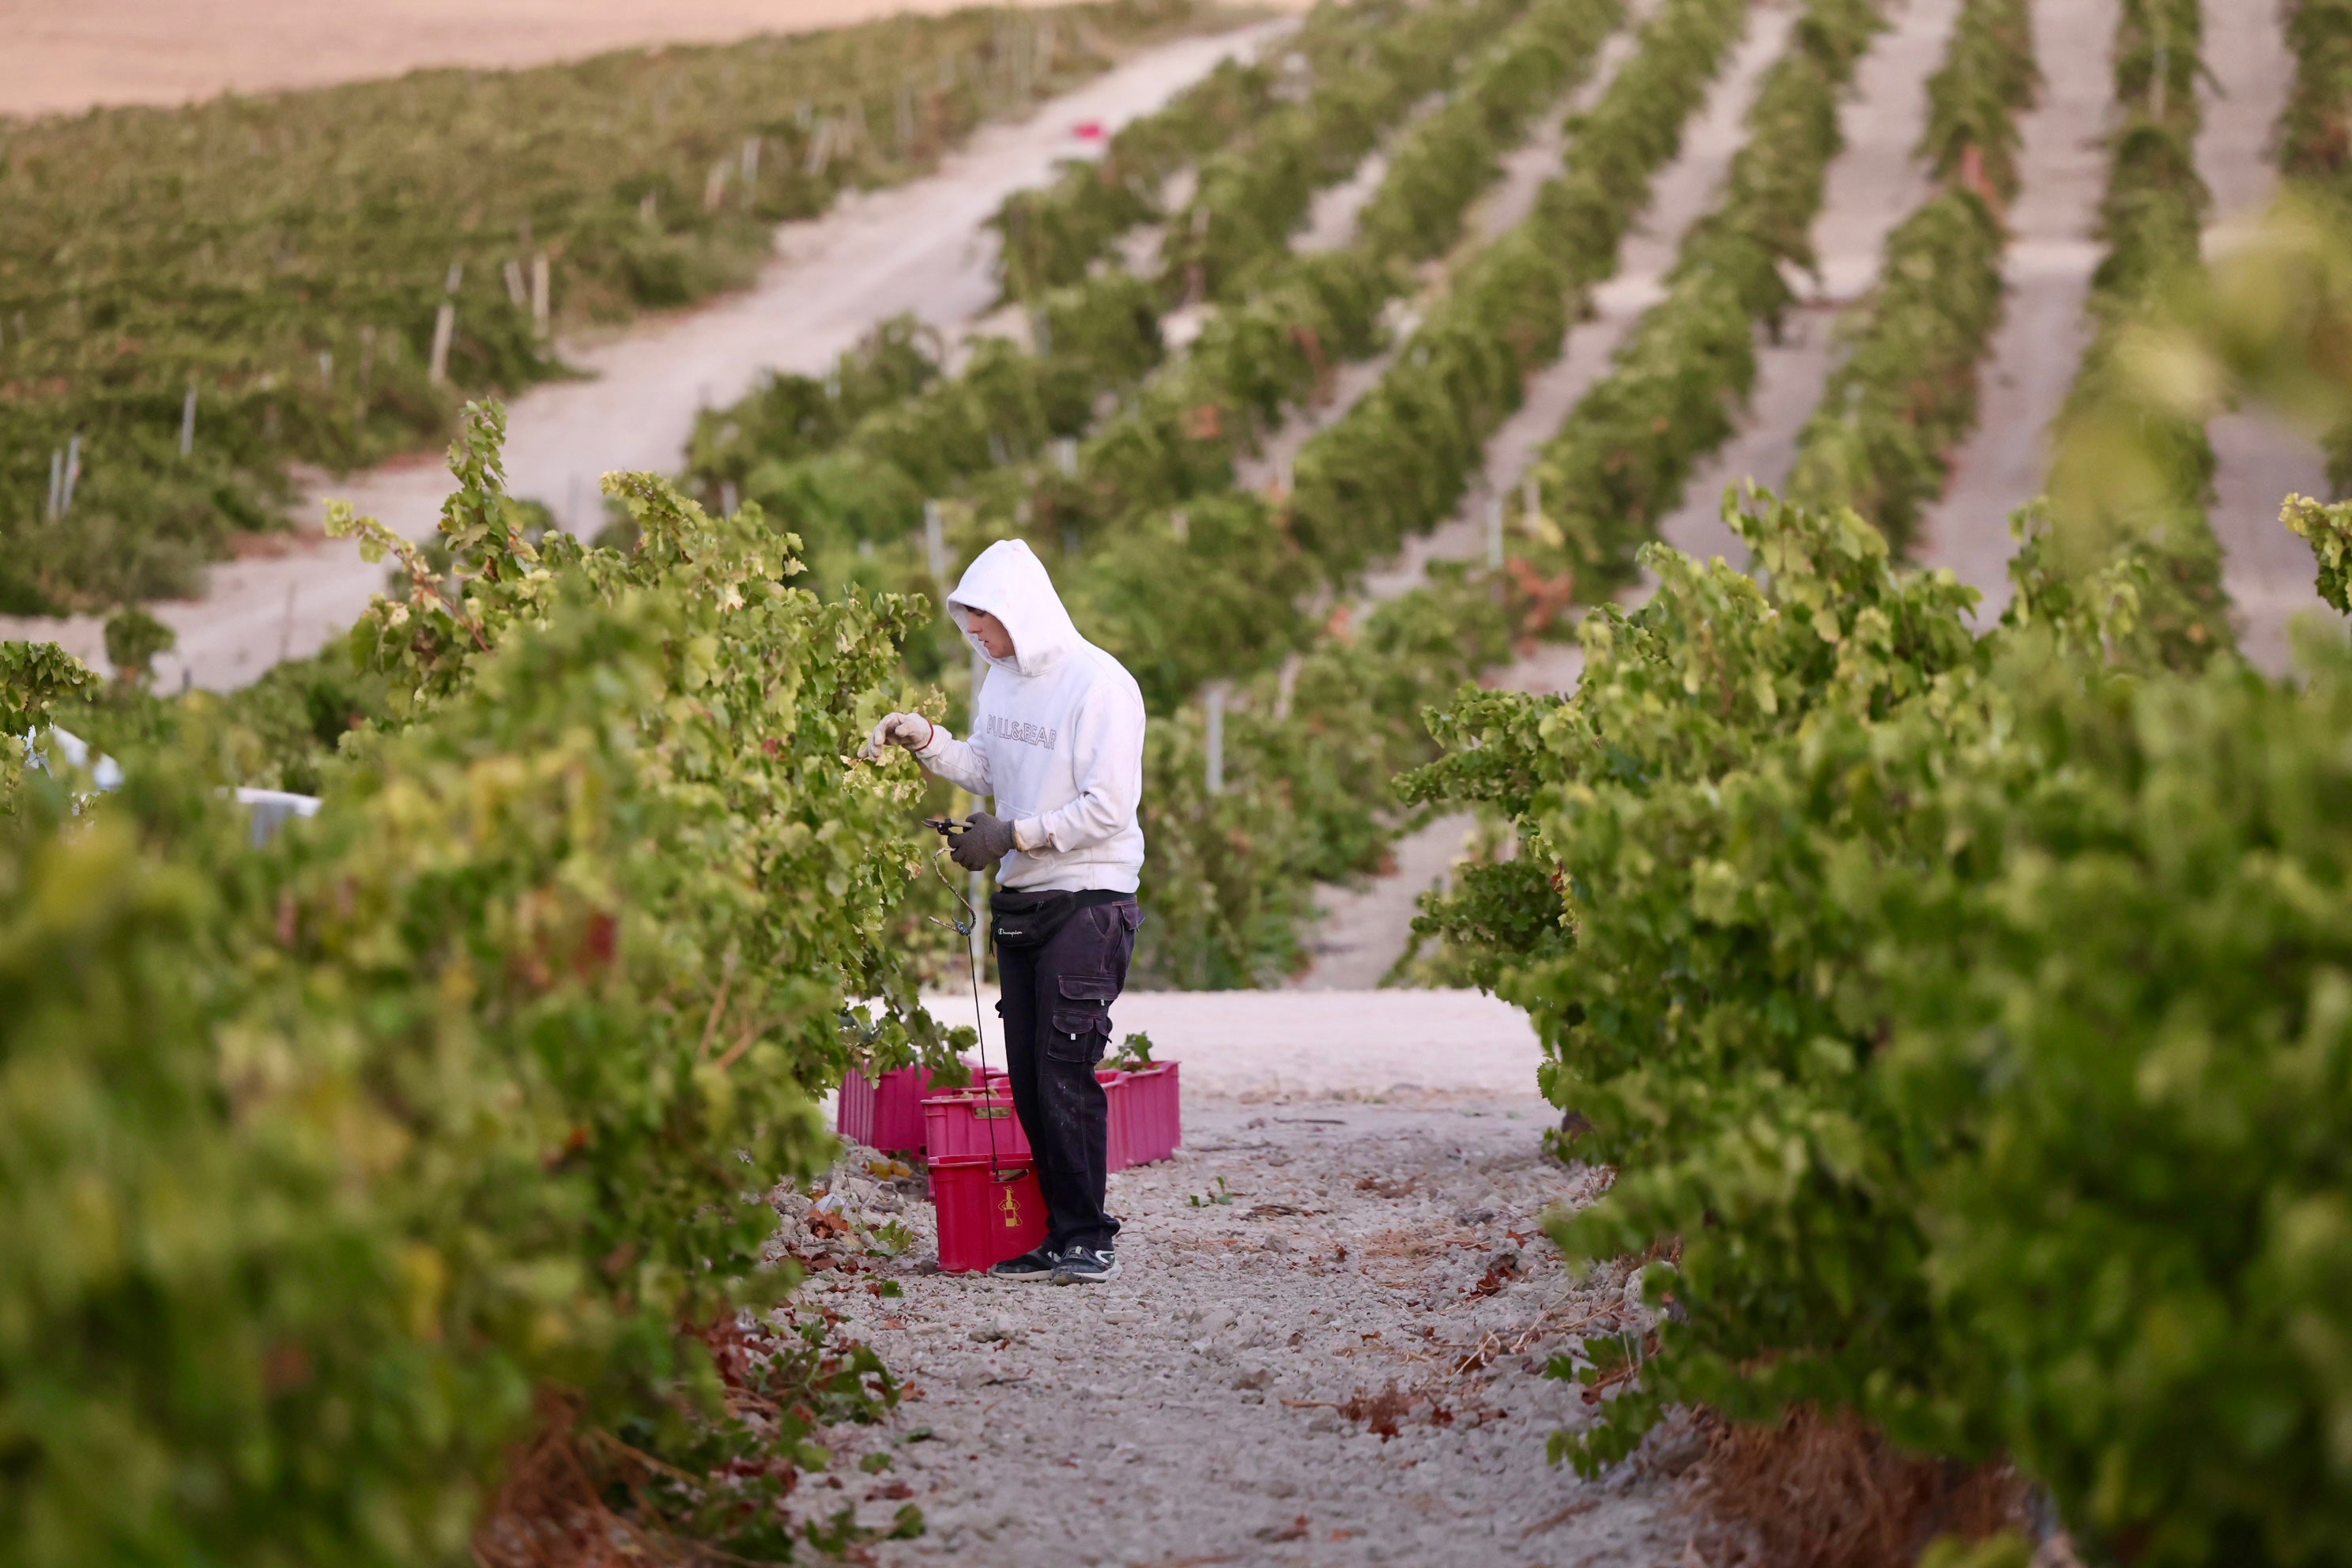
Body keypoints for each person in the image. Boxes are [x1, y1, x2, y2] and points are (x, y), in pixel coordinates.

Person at [861, 539, 1146, 1284]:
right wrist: (924, 740)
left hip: (1089, 896)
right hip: (1021, 895)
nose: (975, 636)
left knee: (1063, 1062)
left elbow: (1109, 810)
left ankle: (1090, 1236)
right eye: (968, 623)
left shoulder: (1099, 687)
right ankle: (1058, 1233)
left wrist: (1012, 834)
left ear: (1020, 612)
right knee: (1025, 1072)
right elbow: (988, 767)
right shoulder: (1002, 683)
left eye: (982, 621)